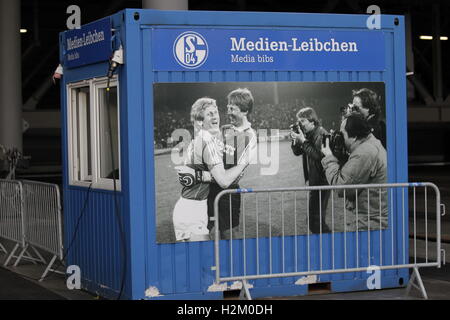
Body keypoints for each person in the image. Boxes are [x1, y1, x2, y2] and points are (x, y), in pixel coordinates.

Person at [172, 97, 249, 242]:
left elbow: (189, 175)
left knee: (198, 261)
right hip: (192, 212)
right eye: (209, 114)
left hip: (190, 208)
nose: (215, 116)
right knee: (205, 260)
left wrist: (199, 175)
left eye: (216, 112)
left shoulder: (197, 140)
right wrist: (243, 163)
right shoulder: (207, 142)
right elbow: (225, 181)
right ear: (200, 121)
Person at [321, 112, 388, 231]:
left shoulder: (365, 153)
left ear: (355, 136)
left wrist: (329, 157)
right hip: (370, 219)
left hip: (368, 225)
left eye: (343, 134)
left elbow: (341, 186)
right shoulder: (370, 143)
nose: (340, 138)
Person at [207, 88, 257, 240]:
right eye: (228, 107)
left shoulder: (249, 136)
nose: (228, 112)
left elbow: (228, 178)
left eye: (233, 109)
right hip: (209, 191)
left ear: (245, 111)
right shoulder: (225, 129)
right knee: (208, 233)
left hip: (227, 195)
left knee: (229, 236)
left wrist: (206, 174)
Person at [290, 107, 331, 234]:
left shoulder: (322, 134)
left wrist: (303, 141)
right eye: (299, 121)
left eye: (302, 121)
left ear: (312, 121)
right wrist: (295, 139)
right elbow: (297, 152)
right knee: (314, 221)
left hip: (322, 182)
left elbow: (319, 156)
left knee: (316, 221)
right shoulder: (308, 134)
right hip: (315, 181)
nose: (300, 124)